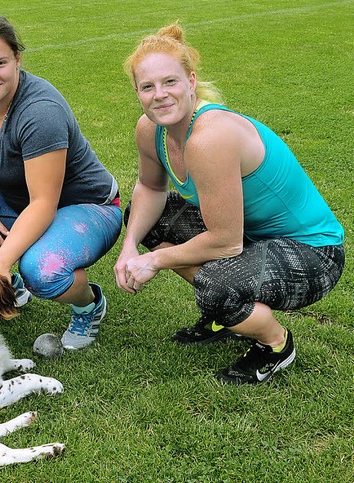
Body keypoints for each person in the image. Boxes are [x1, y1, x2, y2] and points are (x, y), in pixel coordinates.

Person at [114, 23, 345, 384]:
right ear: (138, 93)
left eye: (170, 82)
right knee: (152, 221)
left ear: (191, 81)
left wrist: (153, 260)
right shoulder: (150, 129)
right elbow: (149, 187)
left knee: (217, 285)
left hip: (314, 252)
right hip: (250, 236)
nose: (160, 95)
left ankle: (274, 344)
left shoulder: (211, 137)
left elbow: (225, 242)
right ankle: (229, 316)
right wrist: (129, 247)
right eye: (148, 87)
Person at [0, 13, 122, 350]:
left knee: (42, 271)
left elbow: (44, 203)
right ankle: (10, 288)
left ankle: (89, 304)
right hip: (19, 202)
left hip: (86, 207)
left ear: (17, 59)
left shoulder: (39, 112)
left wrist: (0, 263)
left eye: (0, 62)